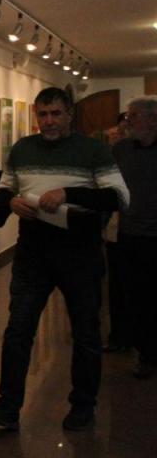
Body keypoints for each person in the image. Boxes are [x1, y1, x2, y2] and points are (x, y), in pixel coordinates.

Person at [0, 87, 129, 432]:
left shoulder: (93, 150)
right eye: (43, 114)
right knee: (18, 329)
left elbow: (119, 196)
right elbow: (2, 189)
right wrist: (10, 202)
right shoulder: (23, 148)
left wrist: (68, 193)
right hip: (33, 251)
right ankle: (8, 407)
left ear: (69, 115)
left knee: (86, 332)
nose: (48, 121)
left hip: (79, 251)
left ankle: (83, 405)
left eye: (55, 114)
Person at [112, 96, 157, 378]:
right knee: (135, 297)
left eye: (133, 116)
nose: (127, 121)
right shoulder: (121, 149)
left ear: (152, 119)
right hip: (129, 235)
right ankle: (145, 352)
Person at [103, 112, 132, 352]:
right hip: (118, 229)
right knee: (118, 285)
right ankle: (120, 336)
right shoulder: (117, 154)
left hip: (141, 228)